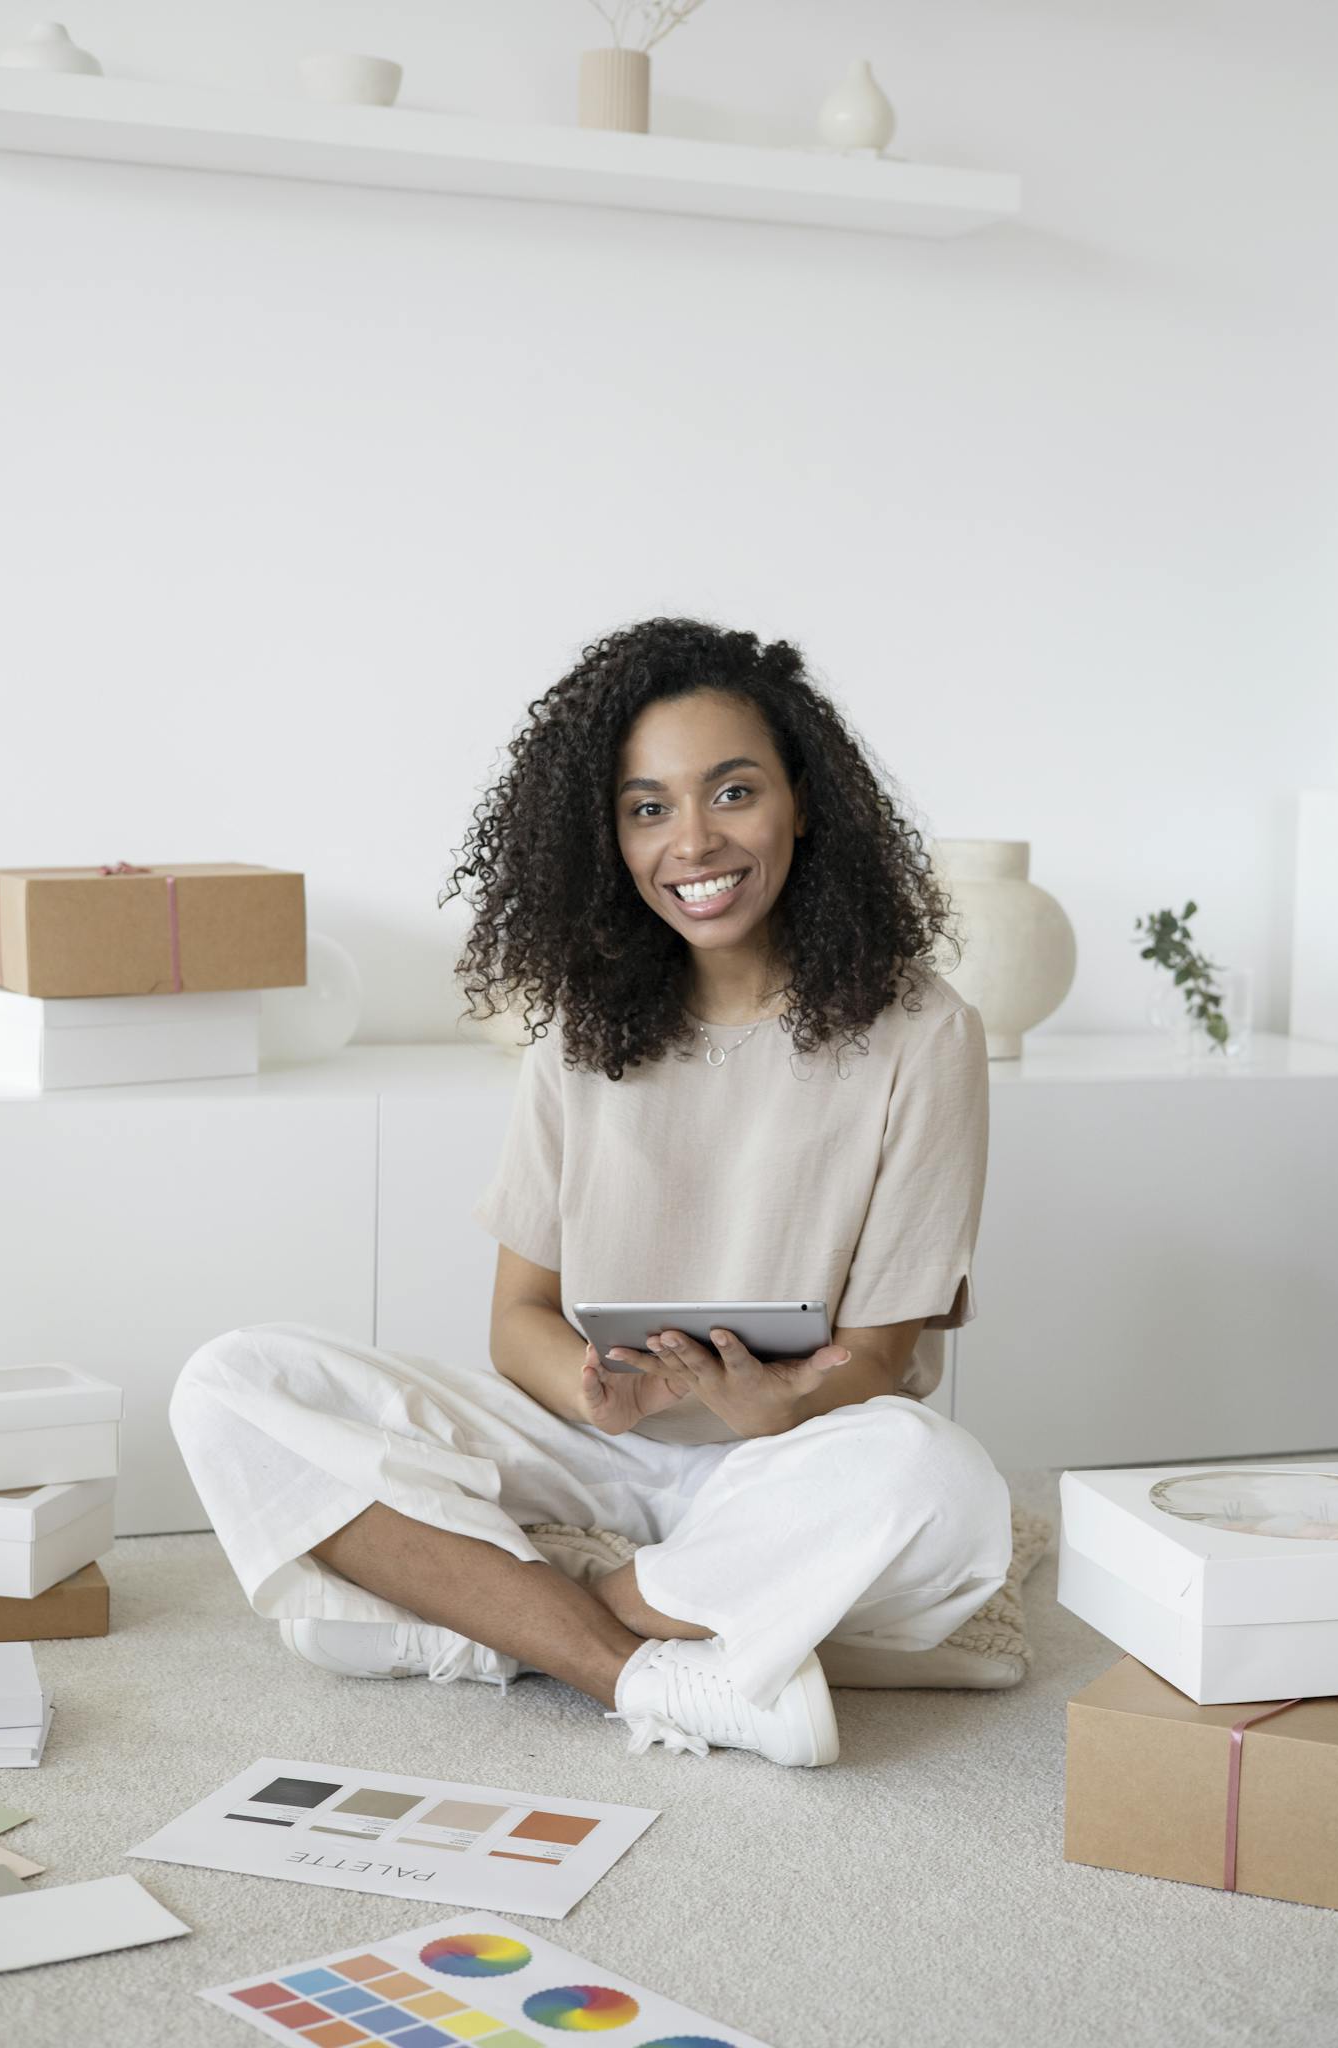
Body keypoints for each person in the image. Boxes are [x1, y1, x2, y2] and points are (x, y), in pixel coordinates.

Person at [170, 617, 1012, 1769]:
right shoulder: (580, 1030)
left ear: (804, 802)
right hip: (591, 1445)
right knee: (230, 1382)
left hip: (788, 1458)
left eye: (732, 791)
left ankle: (524, 1606)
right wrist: (591, 1385)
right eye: (648, 806)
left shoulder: (923, 1031)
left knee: (940, 1481)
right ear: (608, 834)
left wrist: (773, 1408)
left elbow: (874, 1356)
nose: (693, 840)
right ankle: (650, 1662)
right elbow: (518, 1317)